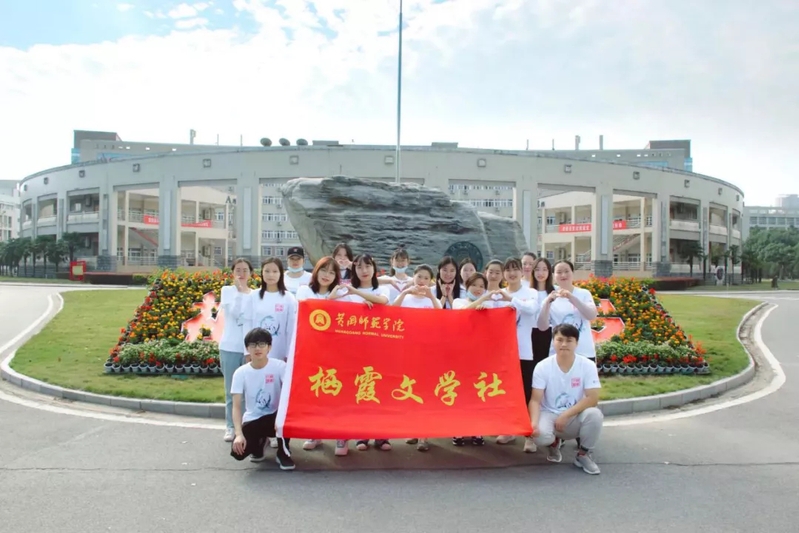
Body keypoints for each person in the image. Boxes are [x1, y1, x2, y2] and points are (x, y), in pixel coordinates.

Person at [330, 253, 391, 452]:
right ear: (354, 270)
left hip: (378, 348)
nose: (364, 271)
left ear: (374, 268)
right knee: (357, 392)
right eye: (359, 267)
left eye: (368, 266)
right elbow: (331, 307)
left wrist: (359, 294)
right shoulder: (346, 292)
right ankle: (361, 435)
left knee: (378, 392)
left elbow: (382, 301)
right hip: (352, 349)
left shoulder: (381, 289)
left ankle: (381, 436)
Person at [529, 323, 603, 475]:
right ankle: (553, 443)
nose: (564, 344)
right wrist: (534, 424)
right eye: (559, 340)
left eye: (569, 340)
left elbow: (593, 398)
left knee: (595, 415)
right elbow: (535, 400)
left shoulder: (587, 365)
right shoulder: (542, 367)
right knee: (540, 437)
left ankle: (583, 455)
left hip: (574, 415)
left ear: (576, 343)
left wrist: (566, 415)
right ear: (553, 341)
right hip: (549, 413)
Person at [296, 256, 346, 454]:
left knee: (337, 395)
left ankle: (341, 437)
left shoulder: (342, 293)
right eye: (324, 270)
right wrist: (329, 301)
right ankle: (314, 433)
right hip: (311, 349)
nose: (327, 275)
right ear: (316, 271)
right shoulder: (305, 291)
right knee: (315, 393)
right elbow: (308, 313)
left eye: (332, 272)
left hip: (335, 351)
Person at [230, 327, 295, 470]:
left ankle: (283, 452)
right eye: (253, 345)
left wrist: (283, 416)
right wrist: (239, 434)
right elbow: (236, 406)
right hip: (254, 419)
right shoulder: (241, 373)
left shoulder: (280, 366)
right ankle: (259, 444)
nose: (257, 348)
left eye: (262, 344)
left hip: (275, 417)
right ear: (247, 348)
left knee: (284, 416)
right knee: (238, 453)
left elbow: (291, 393)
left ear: (269, 347)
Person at [393, 264, 441, 452]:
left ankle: (424, 435)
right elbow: (391, 311)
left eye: (426, 278)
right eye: (419, 276)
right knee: (410, 390)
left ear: (431, 281)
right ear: (413, 277)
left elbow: (442, 317)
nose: (422, 281)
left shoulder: (432, 298)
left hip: (428, 351)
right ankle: (412, 430)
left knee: (425, 392)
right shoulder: (406, 297)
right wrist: (405, 293)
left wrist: (431, 297)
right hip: (407, 350)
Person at [494, 257, 540, 452]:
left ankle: (529, 435)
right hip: (503, 354)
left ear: (522, 272)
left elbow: (531, 309)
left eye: (515, 269)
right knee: (506, 392)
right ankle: (509, 430)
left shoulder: (530, 292)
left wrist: (511, 300)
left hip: (523, 352)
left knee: (526, 393)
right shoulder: (497, 294)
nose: (511, 273)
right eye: (508, 270)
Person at [219, 258, 254, 442]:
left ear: (251, 273)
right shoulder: (227, 291)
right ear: (232, 273)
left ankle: (247, 426)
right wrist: (240, 292)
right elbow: (235, 313)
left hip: (249, 349)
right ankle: (231, 426)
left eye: (245, 270)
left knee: (248, 391)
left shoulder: (255, 294)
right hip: (230, 347)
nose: (241, 273)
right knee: (231, 391)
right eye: (238, 270)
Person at [537, 260, 599, 360]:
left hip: (583, 352)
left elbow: (591, 315)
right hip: (558, 352)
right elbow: (542, 327)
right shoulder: (550, 297)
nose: (563, 275)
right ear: (553, 275)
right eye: (559, 272)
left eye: (566, 271)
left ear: (572, 273)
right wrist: (547, 303)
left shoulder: (584, 293)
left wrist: (571, 297)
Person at [243, 258, 298, 362]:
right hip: (257, 351)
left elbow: (291, 329)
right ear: (262, 273)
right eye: (267, 271)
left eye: (275, 271)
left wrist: (289, 354)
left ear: (281, 274)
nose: (270, 275)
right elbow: (247, 324)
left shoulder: (289, 298)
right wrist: (247, 351)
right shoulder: (253, 296)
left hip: (280, 352)